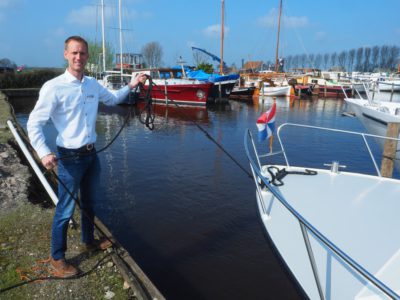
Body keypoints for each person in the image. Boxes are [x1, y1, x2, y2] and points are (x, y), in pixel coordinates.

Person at [27, 35, 147, 278]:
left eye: (82, 53)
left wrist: (132, 85)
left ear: (87, 56)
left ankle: (88, 240)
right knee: (65, 209)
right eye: (74, 53)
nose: (78, 57)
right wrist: (44, 153)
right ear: (65, 55)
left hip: (92, 154)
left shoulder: (92, 84)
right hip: (68, 157)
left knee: (91, 202)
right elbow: (34, 123)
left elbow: (113, 99)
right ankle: (57, 257)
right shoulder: (53, 87)